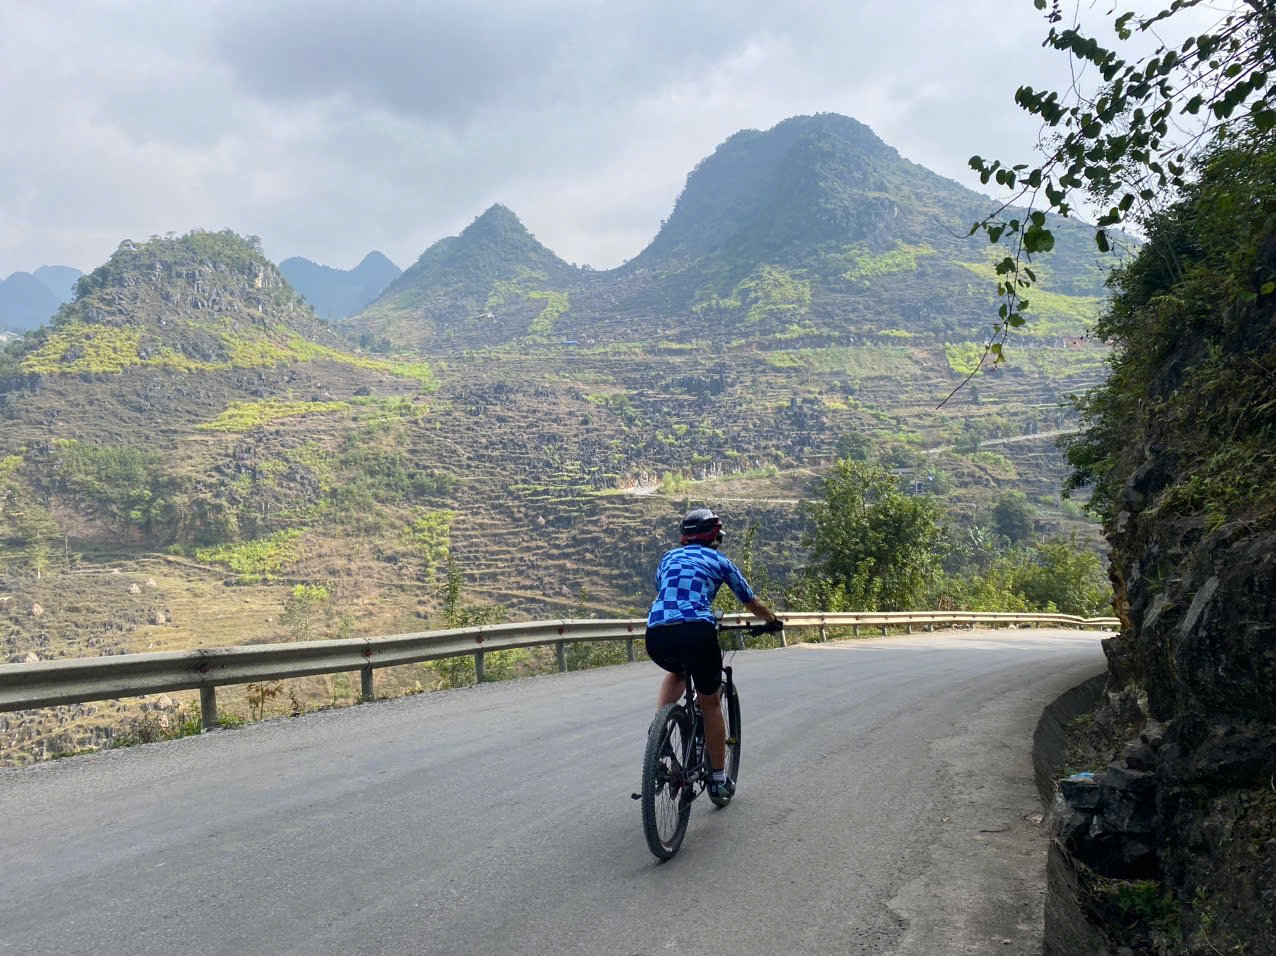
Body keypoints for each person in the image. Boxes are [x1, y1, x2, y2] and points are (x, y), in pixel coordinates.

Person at [645, 507, 781, 803]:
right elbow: (750, 600)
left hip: (656, 634)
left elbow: (665, 591)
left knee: (677, 671)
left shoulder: (668, 558)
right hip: (697, 631)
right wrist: (771, 620)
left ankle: (659, 732)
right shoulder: (720, 561)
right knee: (709, 703)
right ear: (716, 536)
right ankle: (718, 779)